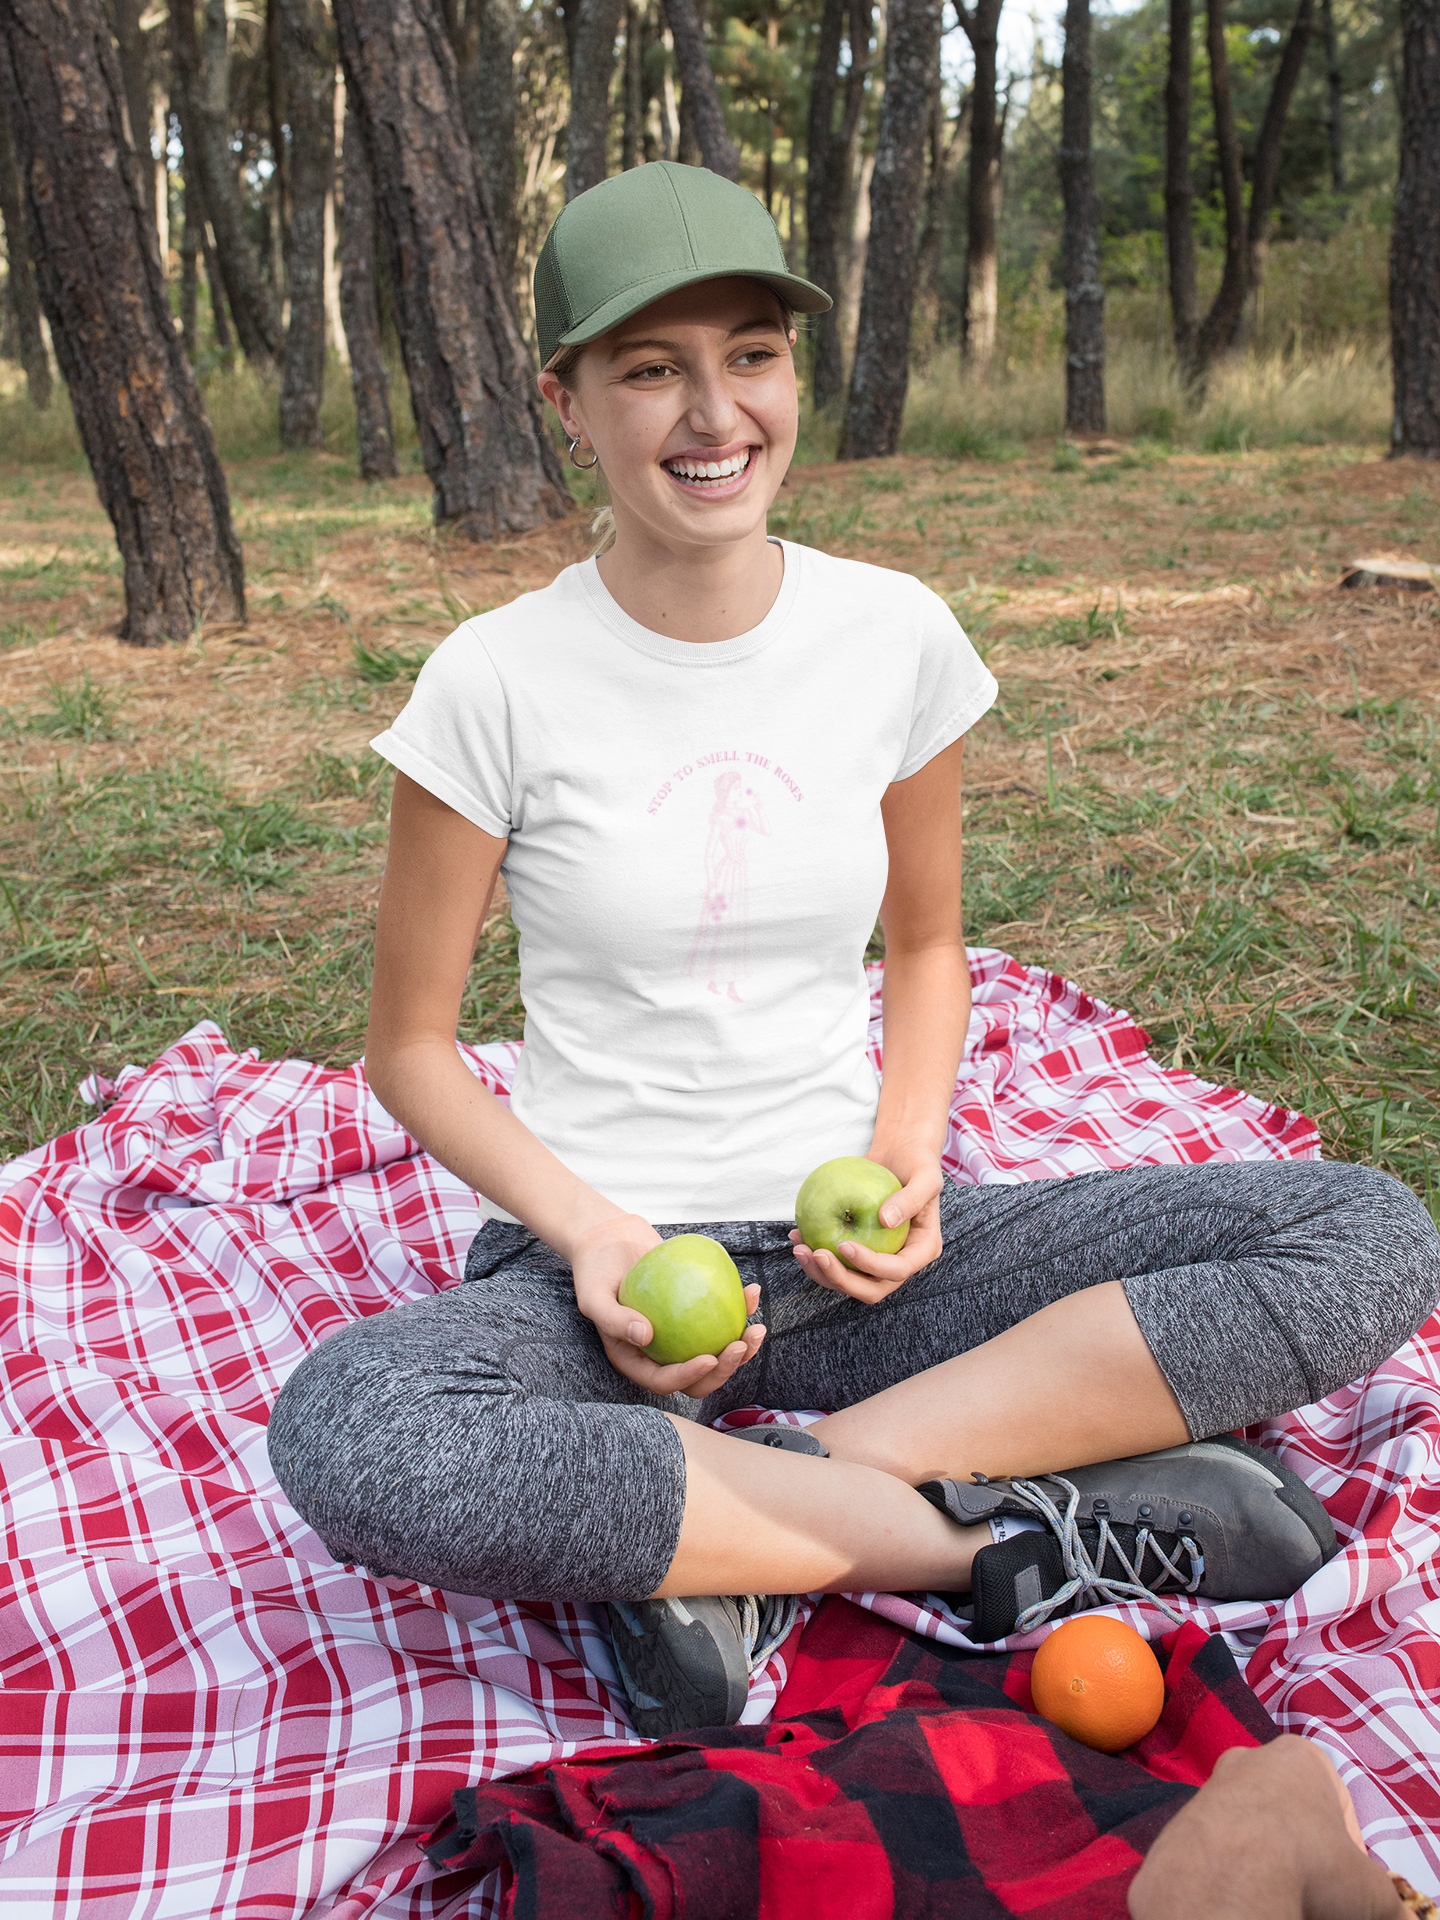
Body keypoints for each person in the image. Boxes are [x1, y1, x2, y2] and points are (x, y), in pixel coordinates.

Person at [266, 162, 1440, 1740]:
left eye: (750, 353)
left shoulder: (892, 634)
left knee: (1363, 1231)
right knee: (356, 1430)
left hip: (873, 1278)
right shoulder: (494, 682)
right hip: (601, 1300)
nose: (713, 412)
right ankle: (991, 1539)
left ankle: (750, 1524)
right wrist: (594, 1238)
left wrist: (907, 1154)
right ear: (566, 398)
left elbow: (932, 940)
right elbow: (408, 1047)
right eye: (649, 368)